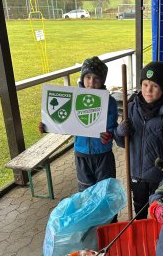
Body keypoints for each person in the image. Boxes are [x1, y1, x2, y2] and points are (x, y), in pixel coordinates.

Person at [112, 61, 163, 219]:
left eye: (154, 86)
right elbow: (123, 143)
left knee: (160, 212)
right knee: (139, 207)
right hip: (136, 173)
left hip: (159, 176)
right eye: (145, 84)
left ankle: (159, 237)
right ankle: (140, 231)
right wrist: (120, 132)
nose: (148, 90)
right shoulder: (130, 108)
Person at [39, 56, 119, 192]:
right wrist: (47, 124)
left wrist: (109, 135)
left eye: (96, 78)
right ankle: (88, 214)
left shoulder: (109, 102)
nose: (91, 82)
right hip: (81, 154)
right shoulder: (74, 99)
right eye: (88, 77)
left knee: (105, 191)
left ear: (103, 81)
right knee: (85, 191)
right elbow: (65, 121)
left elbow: (112, 127)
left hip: (102, 155)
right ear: (82, 78)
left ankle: (108, 214)